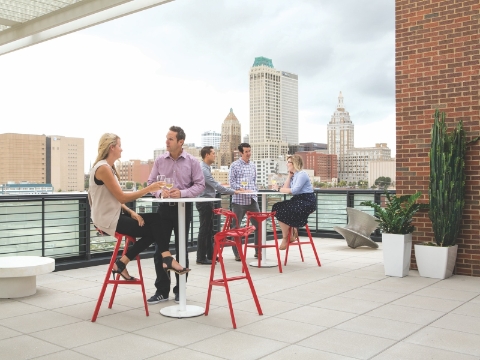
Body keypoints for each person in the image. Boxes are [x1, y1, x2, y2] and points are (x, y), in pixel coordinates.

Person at [88, 133, 189, 281]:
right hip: (108, 219)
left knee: (156, 221)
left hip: (114, 216)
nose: (121, 150)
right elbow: (122, 197)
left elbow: (116, 197)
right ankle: (166, 259)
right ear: (112, 148)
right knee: (156, 227)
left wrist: (131, 213)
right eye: (120, 146)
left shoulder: (107, 167)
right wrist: (149, 189)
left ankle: (122, 264)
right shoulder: (103, 168)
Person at [146, 126, 205, 304]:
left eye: (170, 139)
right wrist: (159, 194)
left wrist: (183, 193)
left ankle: (181, 290)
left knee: (181, 250)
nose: (167, 141)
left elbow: (200, 185)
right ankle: (162, 291)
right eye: (166, 138)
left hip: (183, 208)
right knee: (159, 251)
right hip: (163, 210)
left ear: (180, 142)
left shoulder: (192, 162)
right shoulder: (159, 160)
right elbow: (151, 183)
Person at [196, 146, 245, 264]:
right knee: (204, 230)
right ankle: (201, 258)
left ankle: (210, 255)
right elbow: (215, 185)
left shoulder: (206, 168)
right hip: (204, 202)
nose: (215, 155)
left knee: (208, 230)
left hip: (208, 201)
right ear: (207, 155)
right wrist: (234, 191)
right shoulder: (203, 169)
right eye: (213, 153)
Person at [272, 154, 317, 250]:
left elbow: (294, 190)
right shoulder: (294, 175)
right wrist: (289, 176)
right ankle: (291, 233)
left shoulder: (302, 174)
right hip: (297, 200)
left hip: (307, 201)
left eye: (288, 162)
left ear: (294, 163)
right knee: (277, 207)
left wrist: (278, 189)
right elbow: (286, 188)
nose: (286, 164)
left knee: (284, 209)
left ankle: (286, 237)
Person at [229, 143, 259, 261]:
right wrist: (240, 189)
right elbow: (231, 182)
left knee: (258, 226)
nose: (248, 153)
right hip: (239, 201)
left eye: (249, 151)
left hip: (252, 199)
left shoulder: (253, 165)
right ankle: (237, 253)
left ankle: (258, 251)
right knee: (236, 228)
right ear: (241, 153)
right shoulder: (234, 165)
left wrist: (254, 191)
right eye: (246, 151)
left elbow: (254, 181)